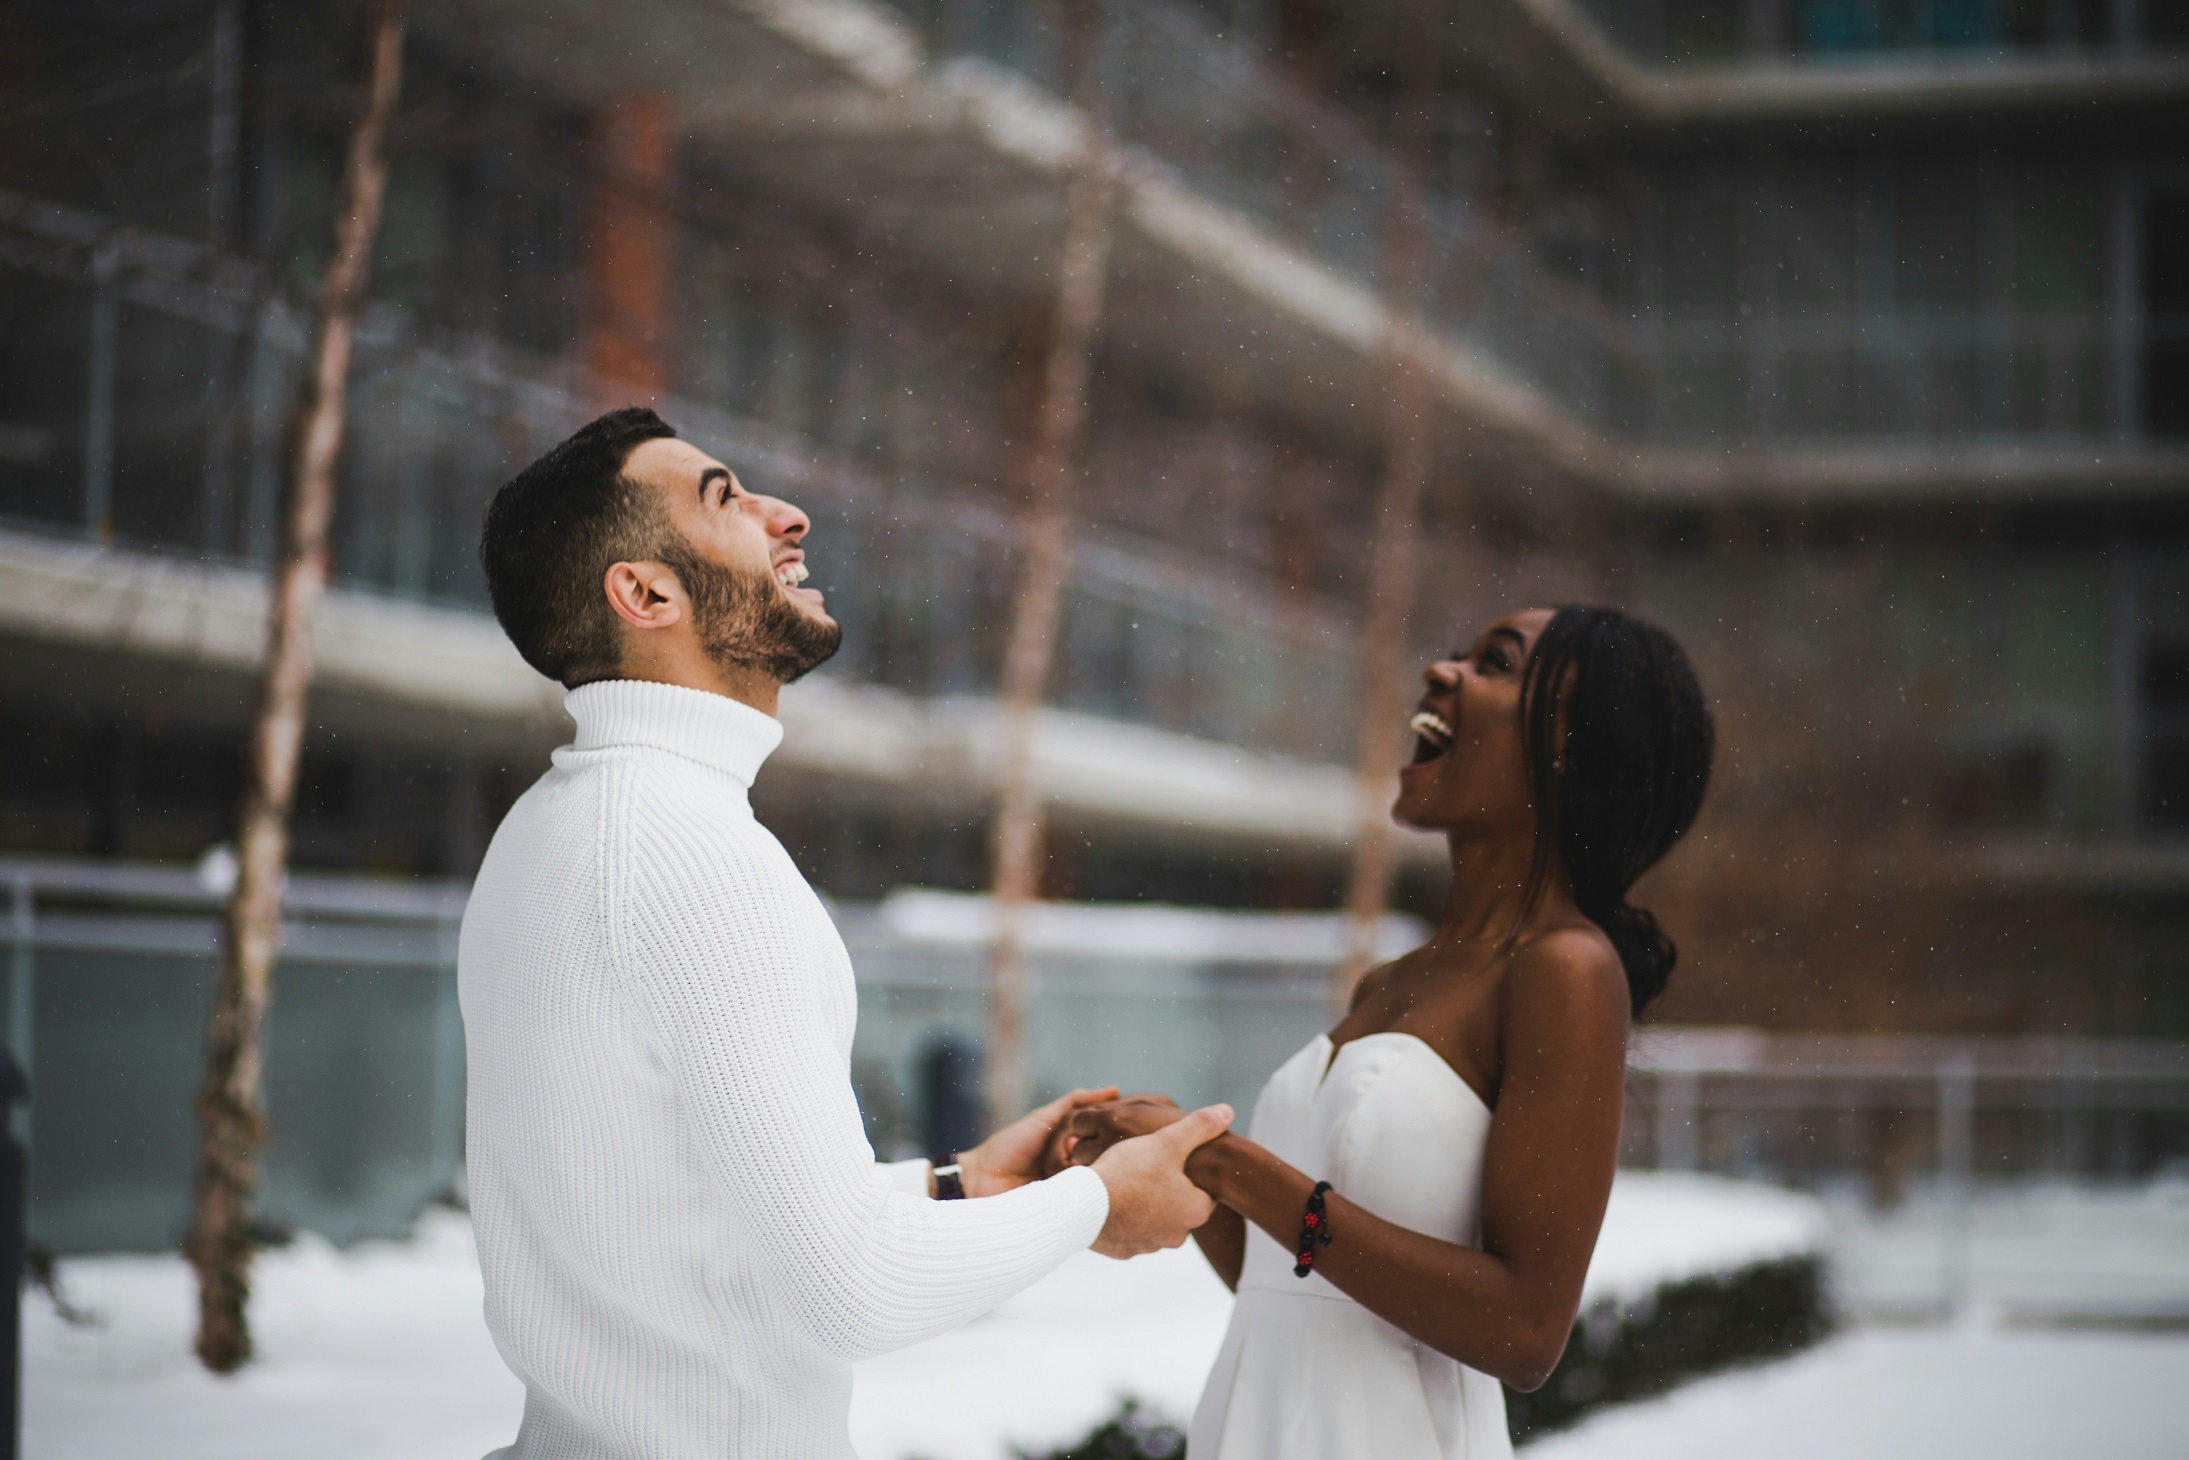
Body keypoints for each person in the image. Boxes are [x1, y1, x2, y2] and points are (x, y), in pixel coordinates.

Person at [459, 407, 1232, 1460]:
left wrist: (954, 1184)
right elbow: (850, 1288)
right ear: (644, 592)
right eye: (724, 499)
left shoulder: (548, 833)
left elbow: (679, 1213)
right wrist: (1098, 1200)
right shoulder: (694, 857)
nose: (790, 514)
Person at [1066, 606, 1714, 1459]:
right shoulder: (1392, 979)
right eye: (1455, 652)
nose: (1439, 673)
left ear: (1567, 739)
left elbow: (1524, 1331)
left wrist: (1232, 1165)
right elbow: (1295, 1289)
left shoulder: (1565, 970)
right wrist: (1178, 1162)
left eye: (1495, 663)